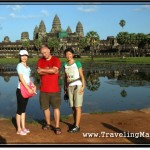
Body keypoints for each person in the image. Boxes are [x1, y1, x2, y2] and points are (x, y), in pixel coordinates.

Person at [37, 46, 62, 135]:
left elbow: (54, 70)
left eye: (46, 52)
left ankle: (57, 126)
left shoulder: (56, 60)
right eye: (42, 53)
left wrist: (46, 70)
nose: (44, 54)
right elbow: (39, 72)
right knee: (45, 108)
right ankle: (48, 124)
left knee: (56, 108)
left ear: (49, 51)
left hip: (54, 89)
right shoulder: (40, 61)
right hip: (43, 89)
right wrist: (50, 70)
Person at [63, 48, 85, 133]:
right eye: (66, 54)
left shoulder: (77, 63)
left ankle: (77, 126)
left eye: (69, 54)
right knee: (72, 107)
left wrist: (83, 86)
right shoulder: (65, 64)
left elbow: (82, 75)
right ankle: (75, 123)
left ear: (72, 54)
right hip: (69, 86)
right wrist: (65, 88)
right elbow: (65, 77)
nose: (68, 56)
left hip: (77, 85)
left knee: (77, 106)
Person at [16, 50, 36, 135]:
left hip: (26, 89)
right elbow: (21, 78)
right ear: (20, 57)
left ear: (27, 56)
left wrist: (33, 85)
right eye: (22, 55)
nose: (24, 57)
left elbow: (28, 78)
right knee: (19, 110)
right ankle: (19, 129)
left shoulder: (27, 67)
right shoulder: (19, 65)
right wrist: (28, 89)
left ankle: (23, 127)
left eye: (25, 55)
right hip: (21, 90)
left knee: (23, 110)